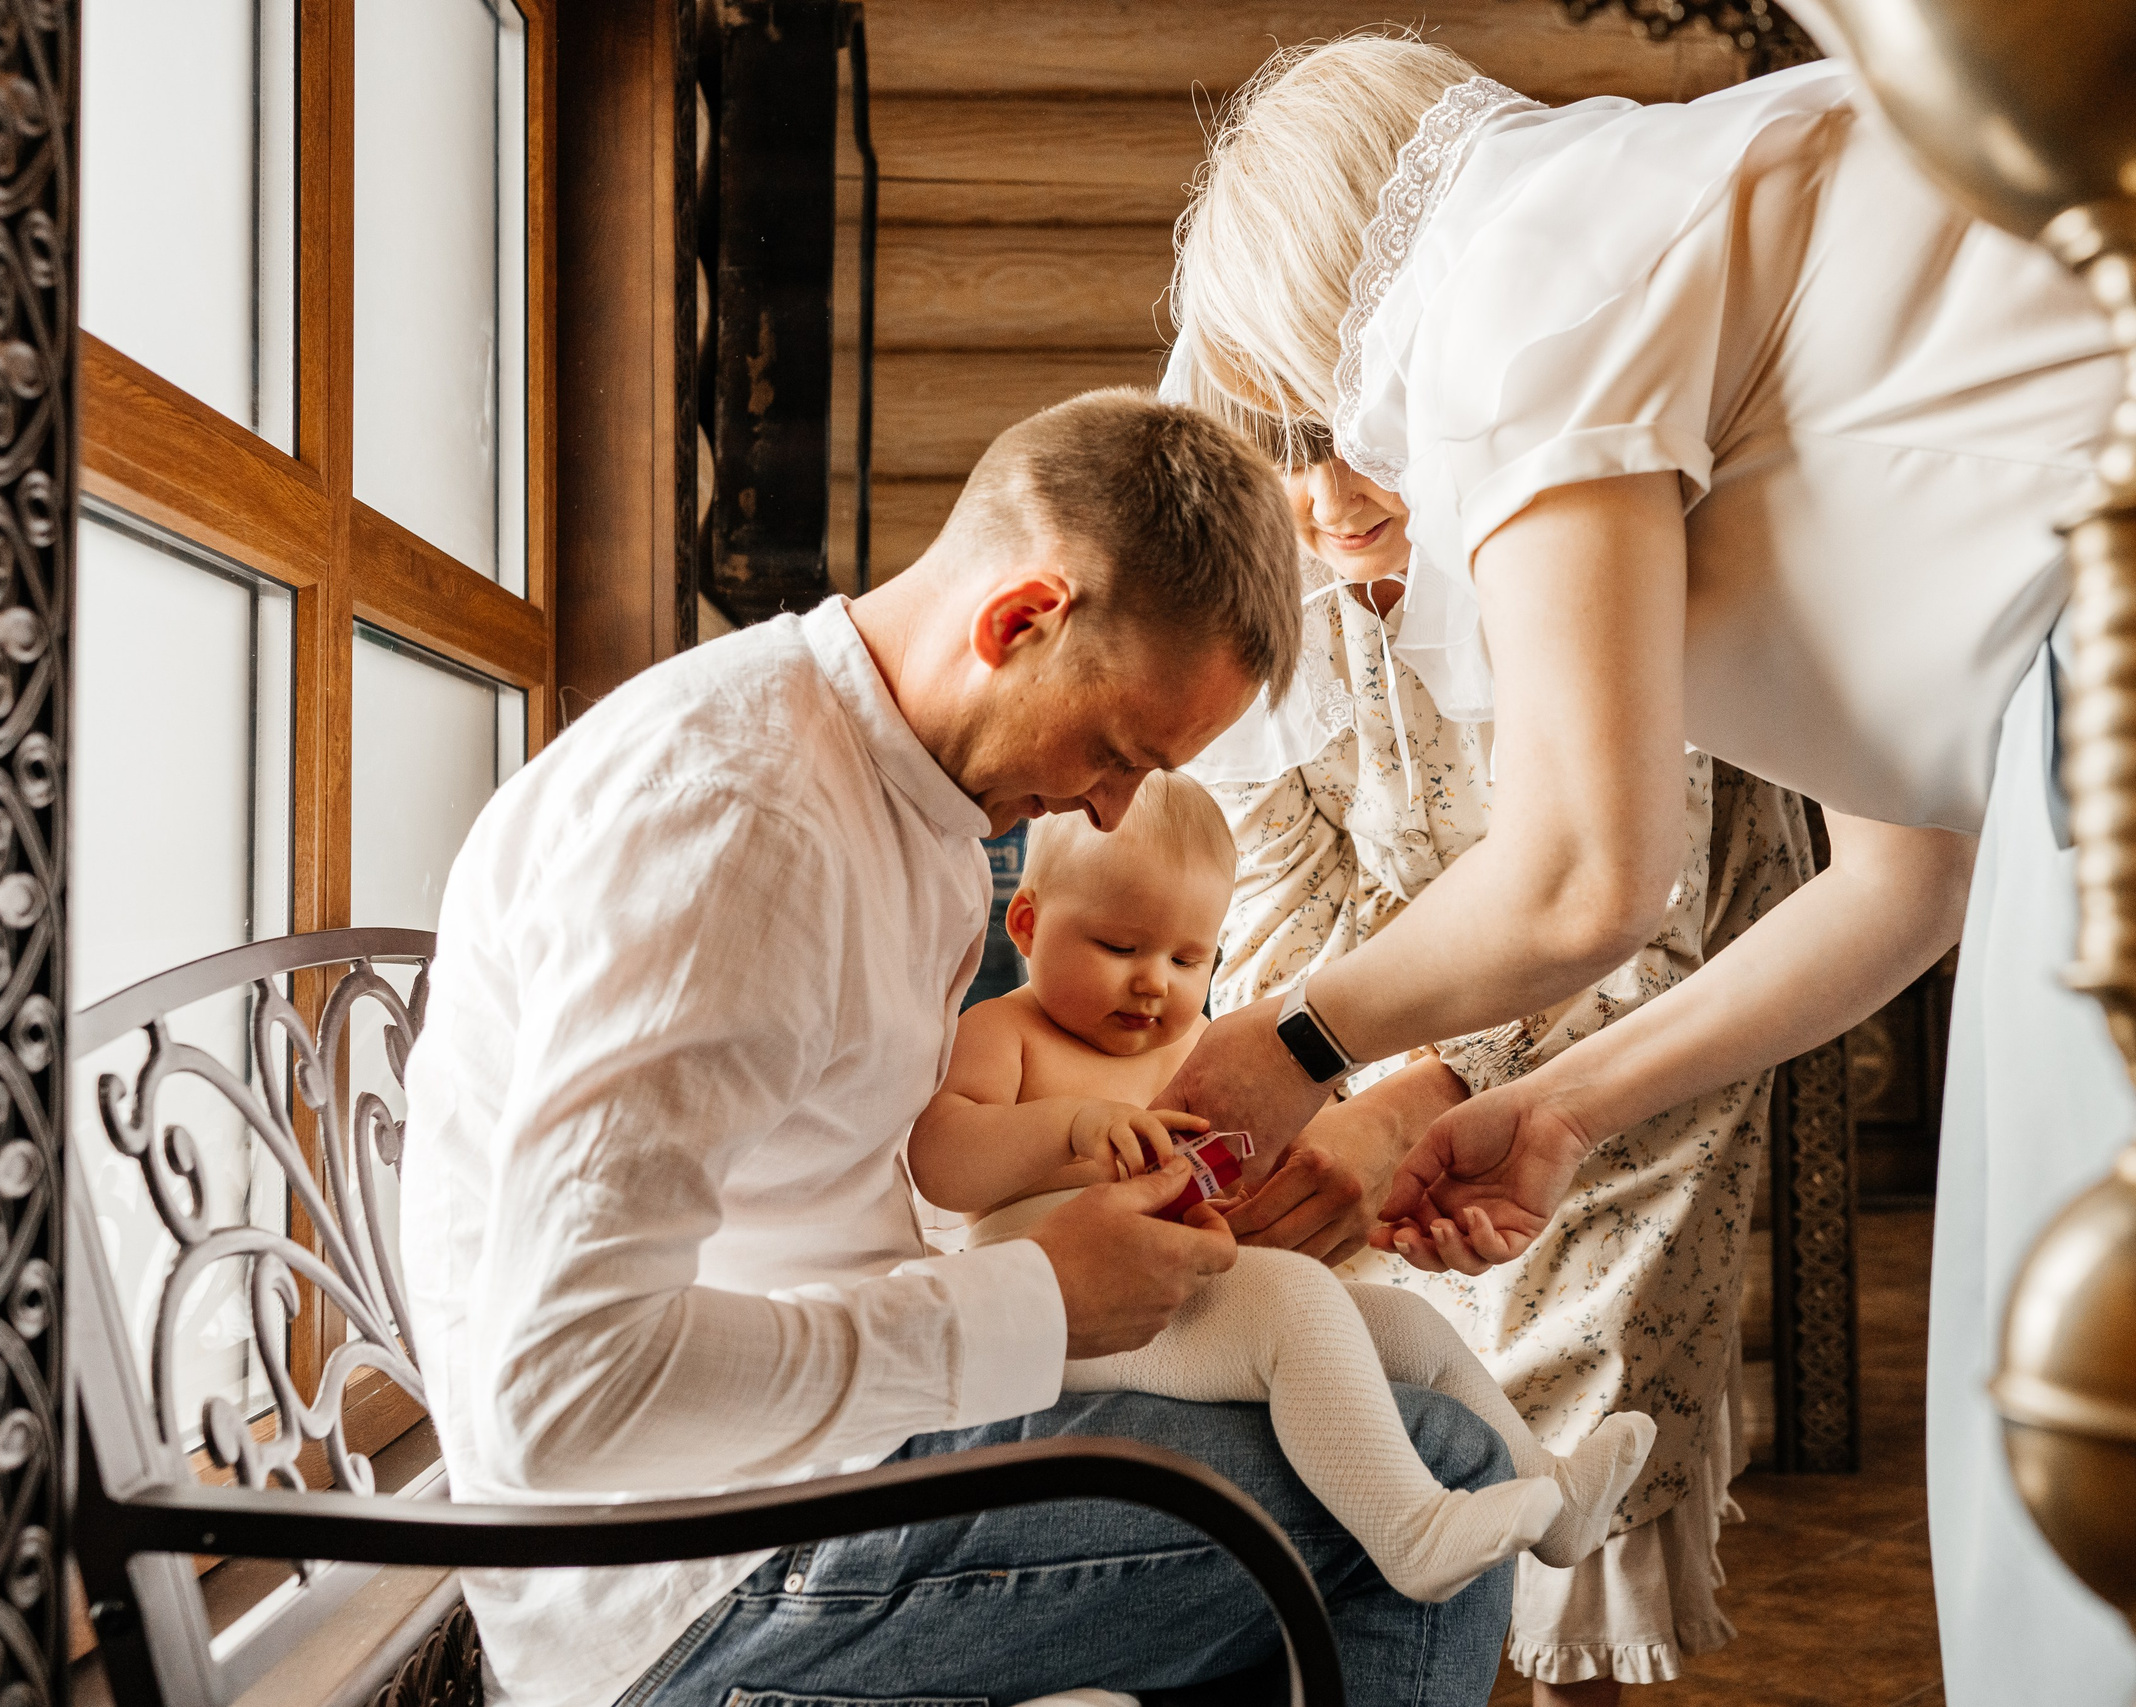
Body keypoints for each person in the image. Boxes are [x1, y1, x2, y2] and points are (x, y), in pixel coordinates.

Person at [1153, 34, 2136, 1707]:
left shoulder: (1510, 287)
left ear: (1336, 304)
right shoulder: (1657, 281)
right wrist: (1558, 1108)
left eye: (1304, 401)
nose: (1333, 473)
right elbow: (1895, 889)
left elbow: (1585, 869)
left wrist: (1282, 1046)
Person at [396, 389, 1519, 1707]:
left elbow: (843, 1188)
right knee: (1434, 1475)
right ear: (1019, 619)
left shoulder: (900, 793)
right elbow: (562, 1397)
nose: (1110, 808)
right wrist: (1040, 1298)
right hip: (679, 1581)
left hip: (816, 1466)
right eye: (1117, 753)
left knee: (1364, 1400)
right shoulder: (736, 825)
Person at [1184, 445, 1809, 1698]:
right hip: (1375, 993)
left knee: (1574, 1354)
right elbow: (1278, 906)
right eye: (1291, 466)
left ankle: (1575, 1668)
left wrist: (1425, 1093)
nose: (1334, 504)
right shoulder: (1263, 606)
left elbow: (1641, 910)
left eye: (1368, 452)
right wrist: (1340, 1102)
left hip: (1645, 997)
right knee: (1325, 1323)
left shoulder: (1575, 551)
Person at [911, 771, 1657, 1605]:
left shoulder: (1194, 1046)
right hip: (1071, 1315)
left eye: (1188, 957)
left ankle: (1551, 1494)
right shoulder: (1006, 1030)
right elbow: (940, 1163)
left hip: (1185, 1297)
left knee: (1410, 1327)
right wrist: (1072, 1127)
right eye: (1119, 947)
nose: (1153, 980)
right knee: (1297, 1304)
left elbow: (1255, 1166)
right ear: (1027, 921)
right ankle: (1413, 1531)